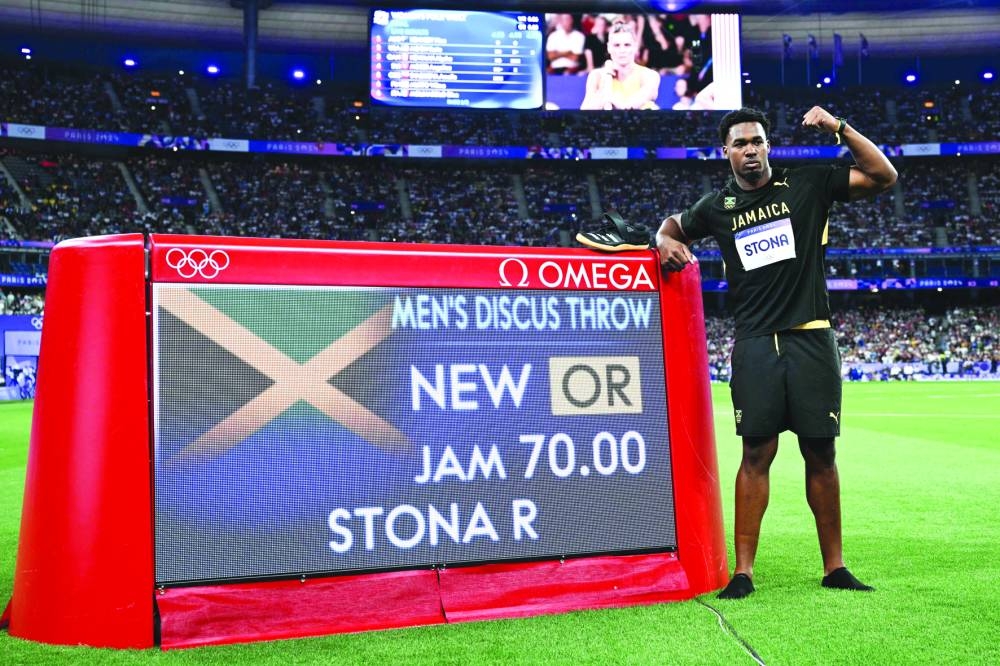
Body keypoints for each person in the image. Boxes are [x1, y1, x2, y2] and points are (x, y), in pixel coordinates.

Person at [656, 106, 897, 598]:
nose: (751, 150)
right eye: (741, 143)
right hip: (755, 343)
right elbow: (673, 227)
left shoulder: (806, 184)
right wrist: (662, 239)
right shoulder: (716, 206)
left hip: (811, 336)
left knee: (821, 452)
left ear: (768, 146)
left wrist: (840, 128)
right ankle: (742, 573)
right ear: (725, 152)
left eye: (758, 141)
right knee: (756, 452)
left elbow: (883, 175)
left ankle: (835, 567)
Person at [580, 18, 661, 110]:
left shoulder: (649, 75)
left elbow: (629, 106)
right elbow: (585, 110)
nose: (622, 50)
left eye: (627, 45)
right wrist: (606, 79)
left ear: (635, 47)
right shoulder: (597, 75)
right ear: (609, 47)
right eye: (617, 45)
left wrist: (609, 96)